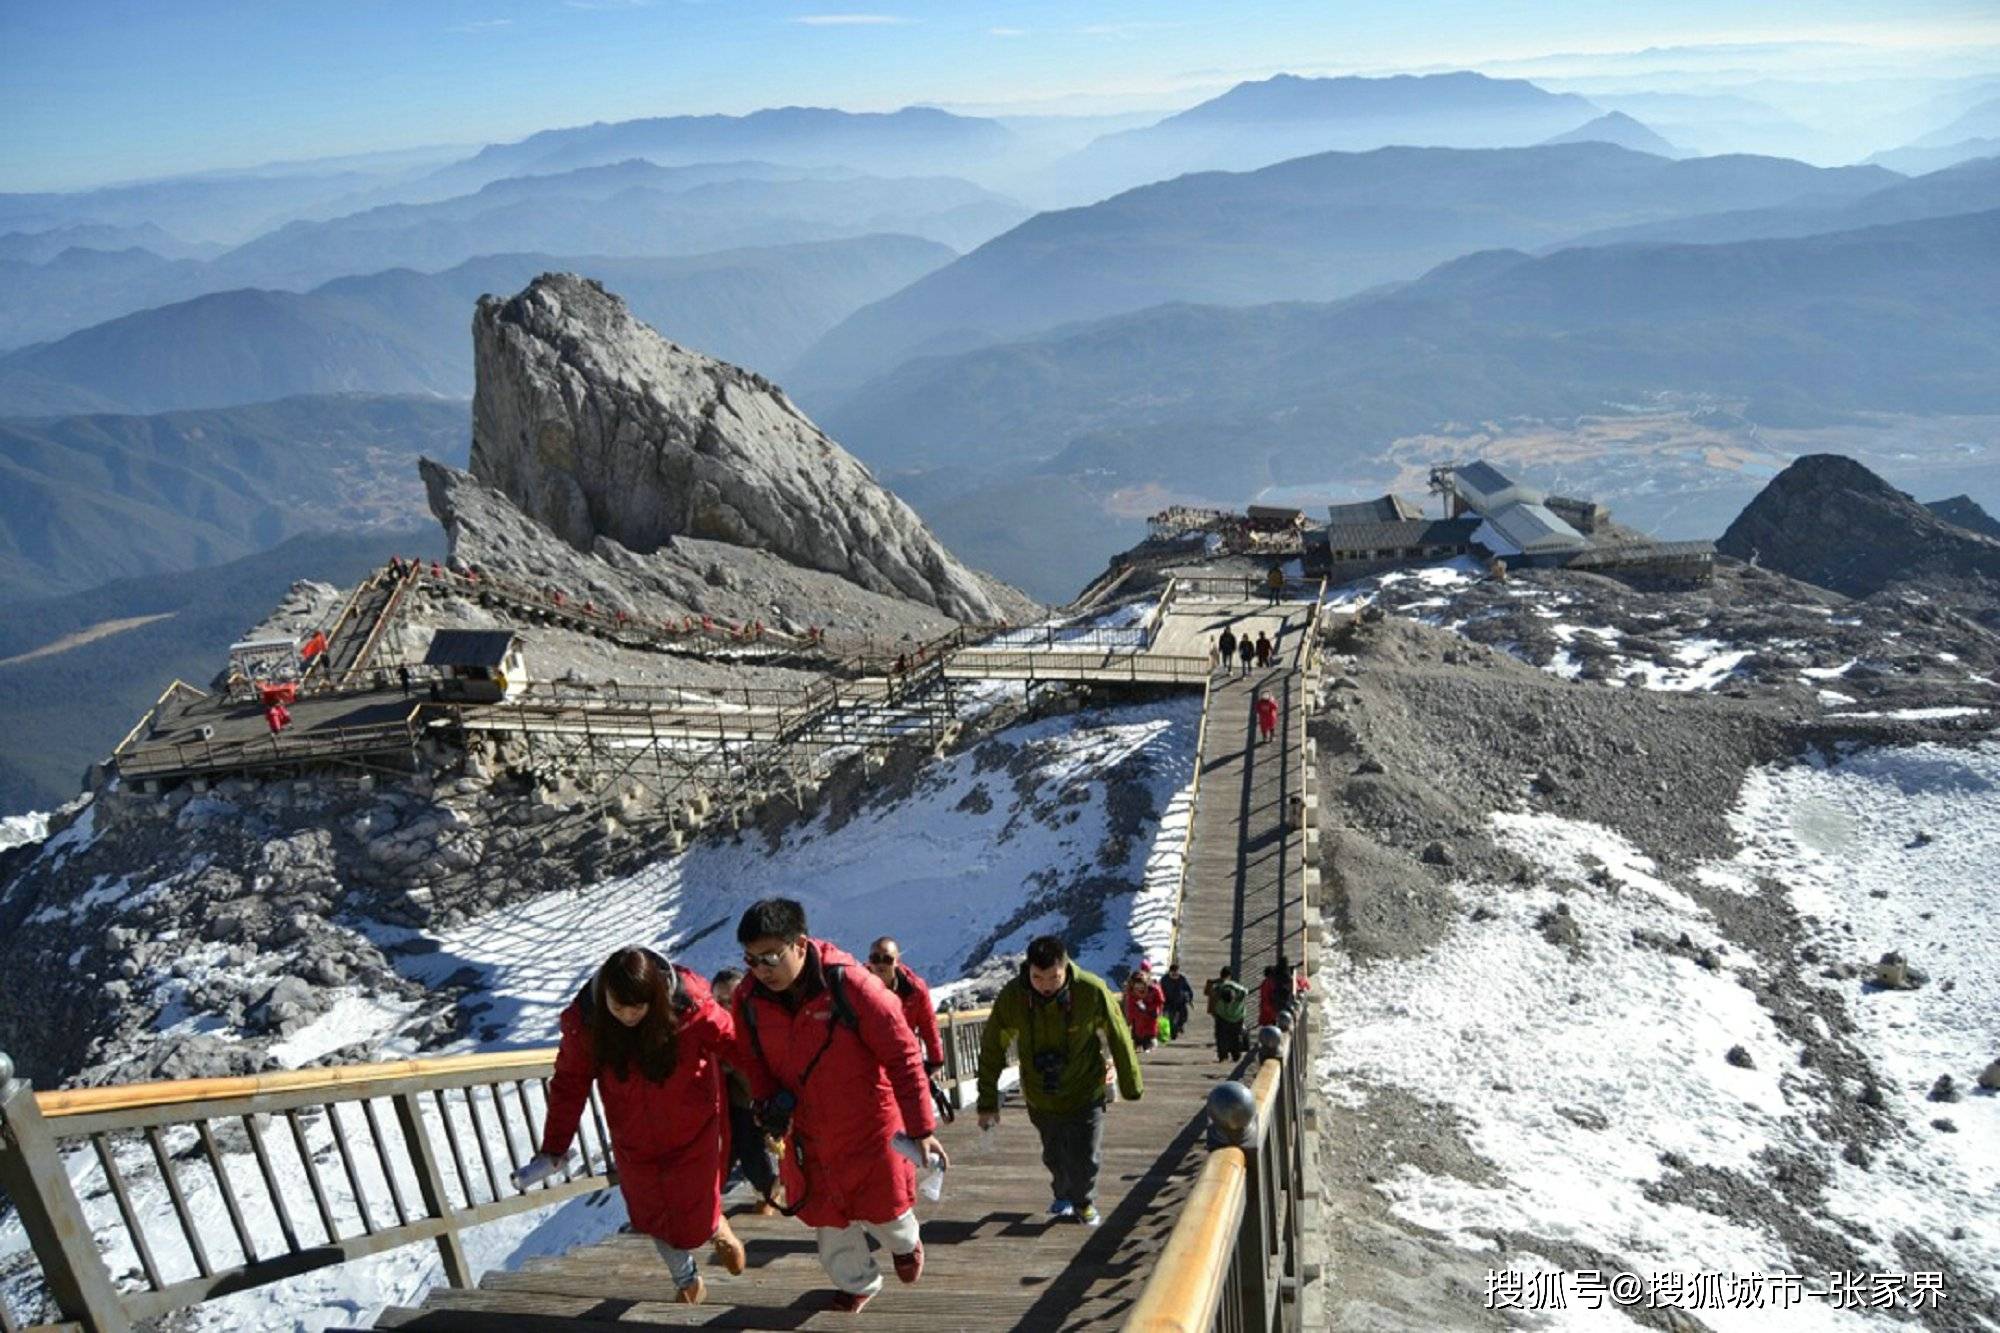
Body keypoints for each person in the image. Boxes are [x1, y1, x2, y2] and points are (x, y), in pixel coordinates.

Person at [729, 899, 946, 1314]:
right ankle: (857, 1282)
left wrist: (921, 1129)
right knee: (828, 1217)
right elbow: (752, 1058)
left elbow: (903, 1056)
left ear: (799, 944)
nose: (761, 970)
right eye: (751, 960)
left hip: (868, 1126)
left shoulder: (853, 986)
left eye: (770, 958)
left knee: (887, 1211)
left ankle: (906, 1245)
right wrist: (766, 1103)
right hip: (805, 1131)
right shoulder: (749, 998)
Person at [518, 948, 742, 1306]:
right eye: (618, 1007)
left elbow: (738, 1046)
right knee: (651, 1212)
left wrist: (771, 1093)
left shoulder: (691, 1006)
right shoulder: (587, 1023)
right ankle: (687, 1279)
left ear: (654, 997)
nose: (627, 1016)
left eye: (636, 1008)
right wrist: (554, 1147)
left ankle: (717, 1228)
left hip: (692, 1130)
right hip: (633, 1136)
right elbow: (569, 1084)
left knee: (695, 1202)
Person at [976, 936, 1142, 1229]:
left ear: (1066, 968)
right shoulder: (1014, 997)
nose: (1046, 985)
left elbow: (1118, 1035)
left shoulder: (1091, 991)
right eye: (1037, 978)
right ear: (1028, 970)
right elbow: (993, 1047)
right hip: (1040, 1095)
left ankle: (1084, 1202)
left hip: (1085, 1088)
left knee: (1086, 1154)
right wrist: (987, 1102)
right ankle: (1063, 1194)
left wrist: (1131, 1085)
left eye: (1054, 977)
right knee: (1054, 1153)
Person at [709, 968, 780, 1216]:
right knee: (723, 1157)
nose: (726, 1007)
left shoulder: (760, 1026)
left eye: (731, 999)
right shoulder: (709, 1030)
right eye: (719, 1001)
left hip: (756, 1103)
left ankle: (768, 1192)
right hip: (726, 1107)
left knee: (753, 1156)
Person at [866, 937, 953, 1123]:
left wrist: (936, 1060)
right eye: (875, 958)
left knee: (911, 1113)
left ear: (897, 961)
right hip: (869, 1061)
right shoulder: (857, 986)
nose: (880, 964)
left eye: (887, 959)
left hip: (904, 1058)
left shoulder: (915, 989)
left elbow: (928, 1024)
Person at [1258, 957, 1312, 1028]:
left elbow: (1304, 984)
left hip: (1276, 1016)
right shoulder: (1269, 985)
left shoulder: (1269, 983)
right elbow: (1266, 1004)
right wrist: (1277, 1015)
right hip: (1273, 1019)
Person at [1121, 965, 1165, 1051]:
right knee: (1137, 1037)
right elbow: (1130, 1009)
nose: (1139, 988)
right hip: (1138, 1021)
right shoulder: (1131, 994)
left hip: (1151, 1017)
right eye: (1137, 987)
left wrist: (1149, 1008)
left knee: (1149, 1038)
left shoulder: (1154, 990)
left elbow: (1160, 1001)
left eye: (1141, 986)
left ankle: (1149, 1047)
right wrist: (1129, 1021)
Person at [1210, 967, 1250, 1060]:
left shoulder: (1239, 991)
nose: (1229, 1004)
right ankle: (1225, 1055)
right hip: (1226, 1016)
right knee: (1225, 1036)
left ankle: (1233, 1054)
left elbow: (1245, 991)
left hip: (1234, 1016)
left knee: (1231, 1036)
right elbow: (1212, 990)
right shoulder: (1220, 989)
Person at [1160, 962, 1194, 1044]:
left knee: (1184, 1016)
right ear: (1170, 972)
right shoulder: (1164, 980)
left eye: (1176, 973)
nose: (1175, 975)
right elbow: (1160, 990)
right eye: (1173, 974)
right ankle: (1172, 1031)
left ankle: (1180, 1026)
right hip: (1168, 1002)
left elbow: (1188, 989)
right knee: (1169, 1018)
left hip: (1180, 1002)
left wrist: (1189, 998)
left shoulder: (1182, 979)